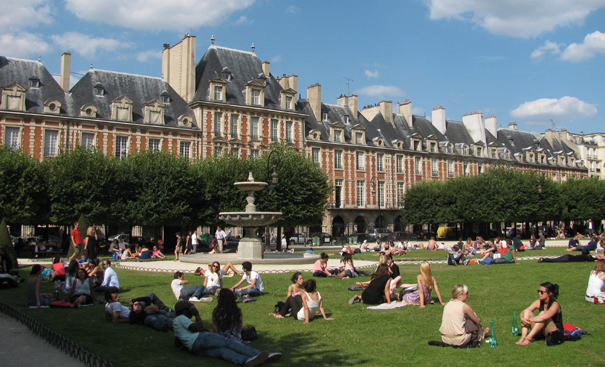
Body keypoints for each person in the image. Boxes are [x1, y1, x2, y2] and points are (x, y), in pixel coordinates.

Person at [173, 300, 279, 366]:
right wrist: (197, 315)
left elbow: (177, 342)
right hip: (200, 339)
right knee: (227, 342)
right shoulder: (181, 318)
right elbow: (198, 328)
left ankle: (245, 361)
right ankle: (257, 354)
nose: (191, 311)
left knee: (221, 351)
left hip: (194, 349)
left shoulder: (175, 322)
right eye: (189, 309)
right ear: (183, 311)